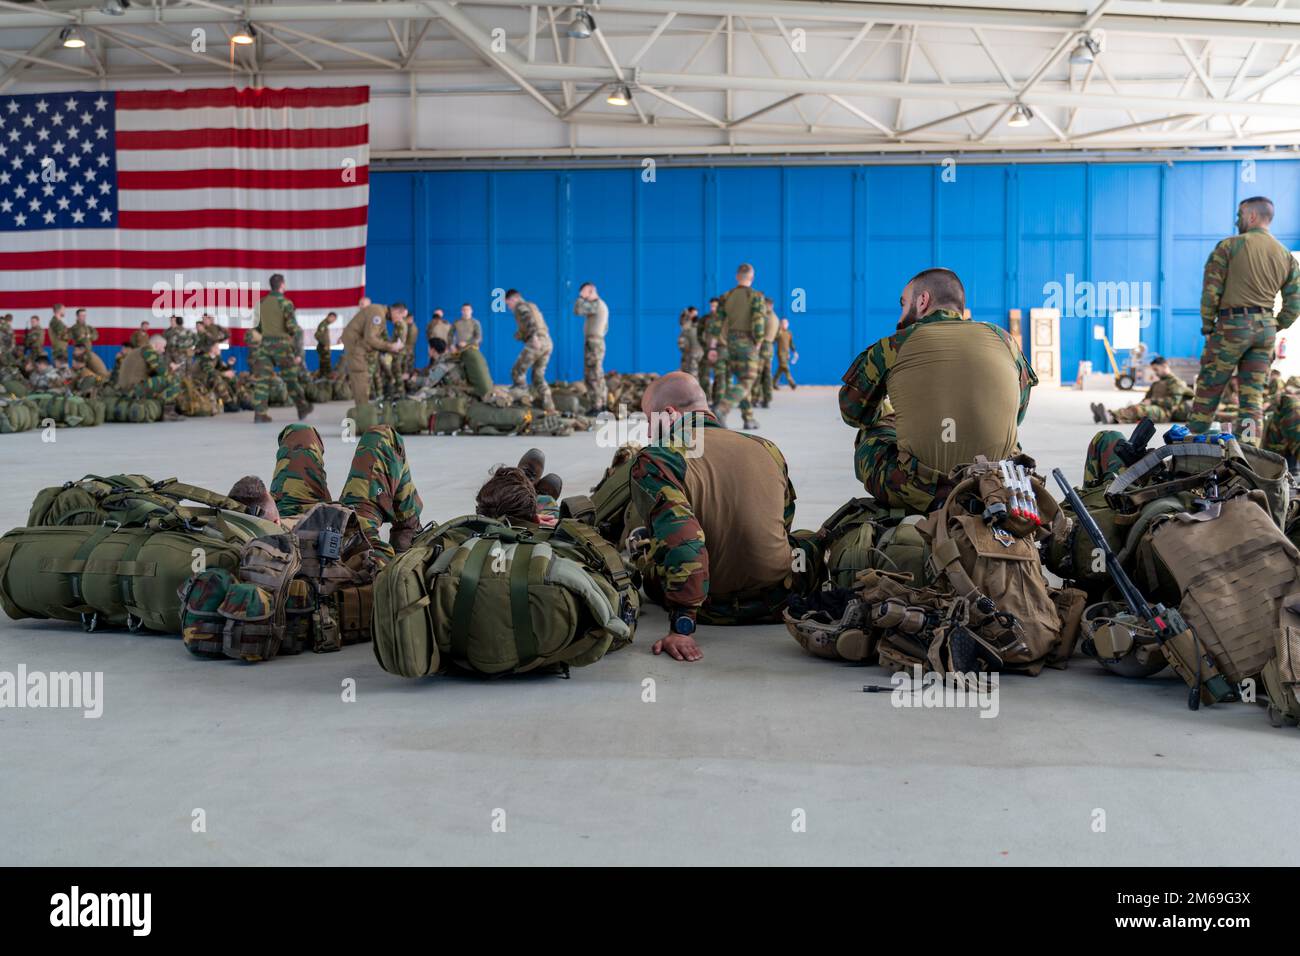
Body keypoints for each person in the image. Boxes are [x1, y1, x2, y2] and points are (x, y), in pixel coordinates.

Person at [629, 372, 813, 662]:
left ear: (668, 414)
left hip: (710, 607)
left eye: (650, 420)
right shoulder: (766, 448)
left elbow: (683, 539)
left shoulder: (658, 457)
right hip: (776, 600)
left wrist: (683, 624)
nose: (650, 431)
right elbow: (782, 521)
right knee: (807, 542)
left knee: (645, 549)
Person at [839, 268, 1037, 515]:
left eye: (904, 303)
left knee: (872, 431)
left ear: (922, 301)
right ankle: (982, 492)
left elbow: (853, 414)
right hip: (996, 478)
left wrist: (889, 414)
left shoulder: (893, 345)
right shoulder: (1004, 340)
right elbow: (1017, 414)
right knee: (1008, 435)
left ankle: (938, 499)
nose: (900, 315)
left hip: (924, 487)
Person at [1188, 196, 1300, 444]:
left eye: (1239, 215)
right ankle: (1249, 455)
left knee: (1209, 391)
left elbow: (1211, 291)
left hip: (1232, 327)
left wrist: (1208, 326)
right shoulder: (1284, 255)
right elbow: (1295, 302)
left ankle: (1192, 451)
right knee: (1253, 398)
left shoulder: (1229, 246)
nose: (1236, 220)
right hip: (1265, 330)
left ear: (1251, 216)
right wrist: (1275, 324)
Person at [233, 423, 424, 562]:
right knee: (383, 437)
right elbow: (379, 566)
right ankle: (407, 536)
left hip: (290, 519)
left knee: (300, 432)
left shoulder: (239, 546)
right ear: (275, 521)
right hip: (347, 531)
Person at [712, 264, 767, 430]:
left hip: (730, 344)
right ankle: (722, 408)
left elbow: (716, 324)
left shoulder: (726, 296)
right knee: (747, 381)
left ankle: (748, 418)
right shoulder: (756, 296)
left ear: (737, 277)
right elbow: (758, 321)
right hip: (747, 343)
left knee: (742, 381)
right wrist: (758, 342)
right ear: (752, 276)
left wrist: (713, 346)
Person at [250, 273, 311, 423]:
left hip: (264, 346)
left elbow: (256, 328)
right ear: (282, 285)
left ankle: (260, 414)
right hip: (282, 347)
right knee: (290, 379)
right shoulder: (285, 303)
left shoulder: (260, 303)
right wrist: (298, 352)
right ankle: (302, 407)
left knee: (262, 381)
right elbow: (293, 329)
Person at [1091, 355, 1192, 424]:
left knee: (1140, 410)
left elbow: (1173, 403)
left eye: (1156, 369)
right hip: (1156, 408)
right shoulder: (1157, 383)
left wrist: (1153, 401)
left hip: (1166, 413)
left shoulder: (1177, 383)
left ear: (1165, 366)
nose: (1155, 373)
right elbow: (1146, 399)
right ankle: (1107, 415)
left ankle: (1109, 416)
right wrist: (1143, 402)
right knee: (1136, 407)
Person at [342, 300, 404, 406]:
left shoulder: (380, 313)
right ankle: (363, 414)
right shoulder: (378, 314)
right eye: (400, 316)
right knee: (360, 376)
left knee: (362, 378)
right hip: (356, 347)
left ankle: (363, 410)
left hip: (357, 346)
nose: (399, 320)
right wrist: (391, 346)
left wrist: (390, 347)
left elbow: (378, 338)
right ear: (395, 311)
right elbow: (370, 338)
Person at [505, 288, 554, 412]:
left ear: (514, 299)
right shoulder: (531, 305)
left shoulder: (520, 307)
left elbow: (529, 320)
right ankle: (549, 406)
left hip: (536, 342)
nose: (509, 307)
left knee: (517, 371)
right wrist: (520, 334)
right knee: (538, 376)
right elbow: (535, 323)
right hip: (547, 342)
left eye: (508, 303)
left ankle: (523, 401)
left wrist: (533, 337)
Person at [117, 333, 182, 421]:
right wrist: (171, 368)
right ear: (157, 344)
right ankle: (167, 411)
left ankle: (158, 406)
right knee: (174, 380)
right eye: (163, 347)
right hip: (134, 388)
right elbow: (163, 372)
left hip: (125, 389)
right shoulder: (148, 350)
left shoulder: (138, 351)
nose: (163, 350)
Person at [573, 282, 609, 413]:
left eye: (584, 292)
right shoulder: (601, 305)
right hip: (597, 341)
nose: (582, 295)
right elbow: (605, 328)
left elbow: (577, 310)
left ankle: (597, 406)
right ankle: (603, 404)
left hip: (594, 343)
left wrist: (581, 298)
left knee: (592, 374)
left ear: (591, 290)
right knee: (597, 374)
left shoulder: (596, 304)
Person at [757, 296, 779, 408]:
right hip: (770, 347)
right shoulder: (776, 318)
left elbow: (759, 334)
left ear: (768, 305)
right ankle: (767, 398)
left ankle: (756, 398)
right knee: (767, 374)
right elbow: (778, 335)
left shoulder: (766, 318)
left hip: (763, 346)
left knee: (759, 374)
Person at [774, 317, 797, 389]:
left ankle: (773, 383)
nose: (784, 324)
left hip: (787, 354)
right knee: (785, 367)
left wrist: (794, 351)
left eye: (786, 323)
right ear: (780, 324)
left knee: (780, 369)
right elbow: (773, 340)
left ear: (788, 324)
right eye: (783, 323)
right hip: (780, 354)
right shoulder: (778, 333)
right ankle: (792, 382)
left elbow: (791, 344)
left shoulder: (789, 333)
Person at [677, 306, 701, 376]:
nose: (695, 316)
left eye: (696, 314)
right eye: (693, 314)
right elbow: (682, 344)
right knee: (688, 373)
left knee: (695, 373)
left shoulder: (696, 324)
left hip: (697, 352)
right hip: (689, 353)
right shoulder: (686, 325)